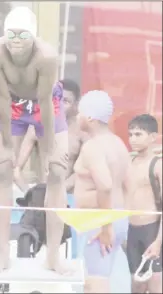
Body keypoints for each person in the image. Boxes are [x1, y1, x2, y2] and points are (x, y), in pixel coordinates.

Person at [0, 6, 69, 274]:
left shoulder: (46, 56)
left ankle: (53, 256)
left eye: (23, 35)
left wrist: (51, 149)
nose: (16, 40)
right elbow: (0, 96)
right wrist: (8, 145)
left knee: (56, 171)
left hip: (45, 104)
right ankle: (2, 254)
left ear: (33, 36)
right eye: (11, 34)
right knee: (2, 169)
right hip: (12, 104)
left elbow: (44, 103)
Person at [74, 90, 130, 293]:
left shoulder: (93, 147)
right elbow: (127, 185)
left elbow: (105, 185)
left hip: (100, 222)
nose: (77, 117)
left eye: (79, 113)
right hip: (115, 217)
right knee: (98, 277)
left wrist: (106, 228)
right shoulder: (118, 144)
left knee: (95, 280)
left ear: (90, 117)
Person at [125, 114, 162, 293]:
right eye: (130, 134)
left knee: (155, 286)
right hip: (132, 231)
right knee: (136, 286)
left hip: (152, 231)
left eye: (138, 134)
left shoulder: (157, 165)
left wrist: (158, 242)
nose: (133, 139)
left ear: (153, 137)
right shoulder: (128, 163)